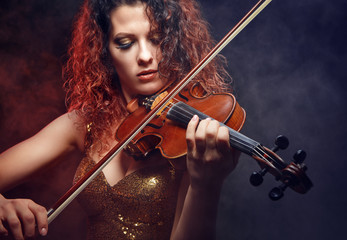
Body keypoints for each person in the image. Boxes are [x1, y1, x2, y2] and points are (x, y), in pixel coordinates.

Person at [0, 0, 240, 239]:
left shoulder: (192, 135)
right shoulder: (86, 124)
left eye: (157, 39)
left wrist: (205, 185)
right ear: (105, 52)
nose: (145, 56)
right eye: (126, 43)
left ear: (175, 43)